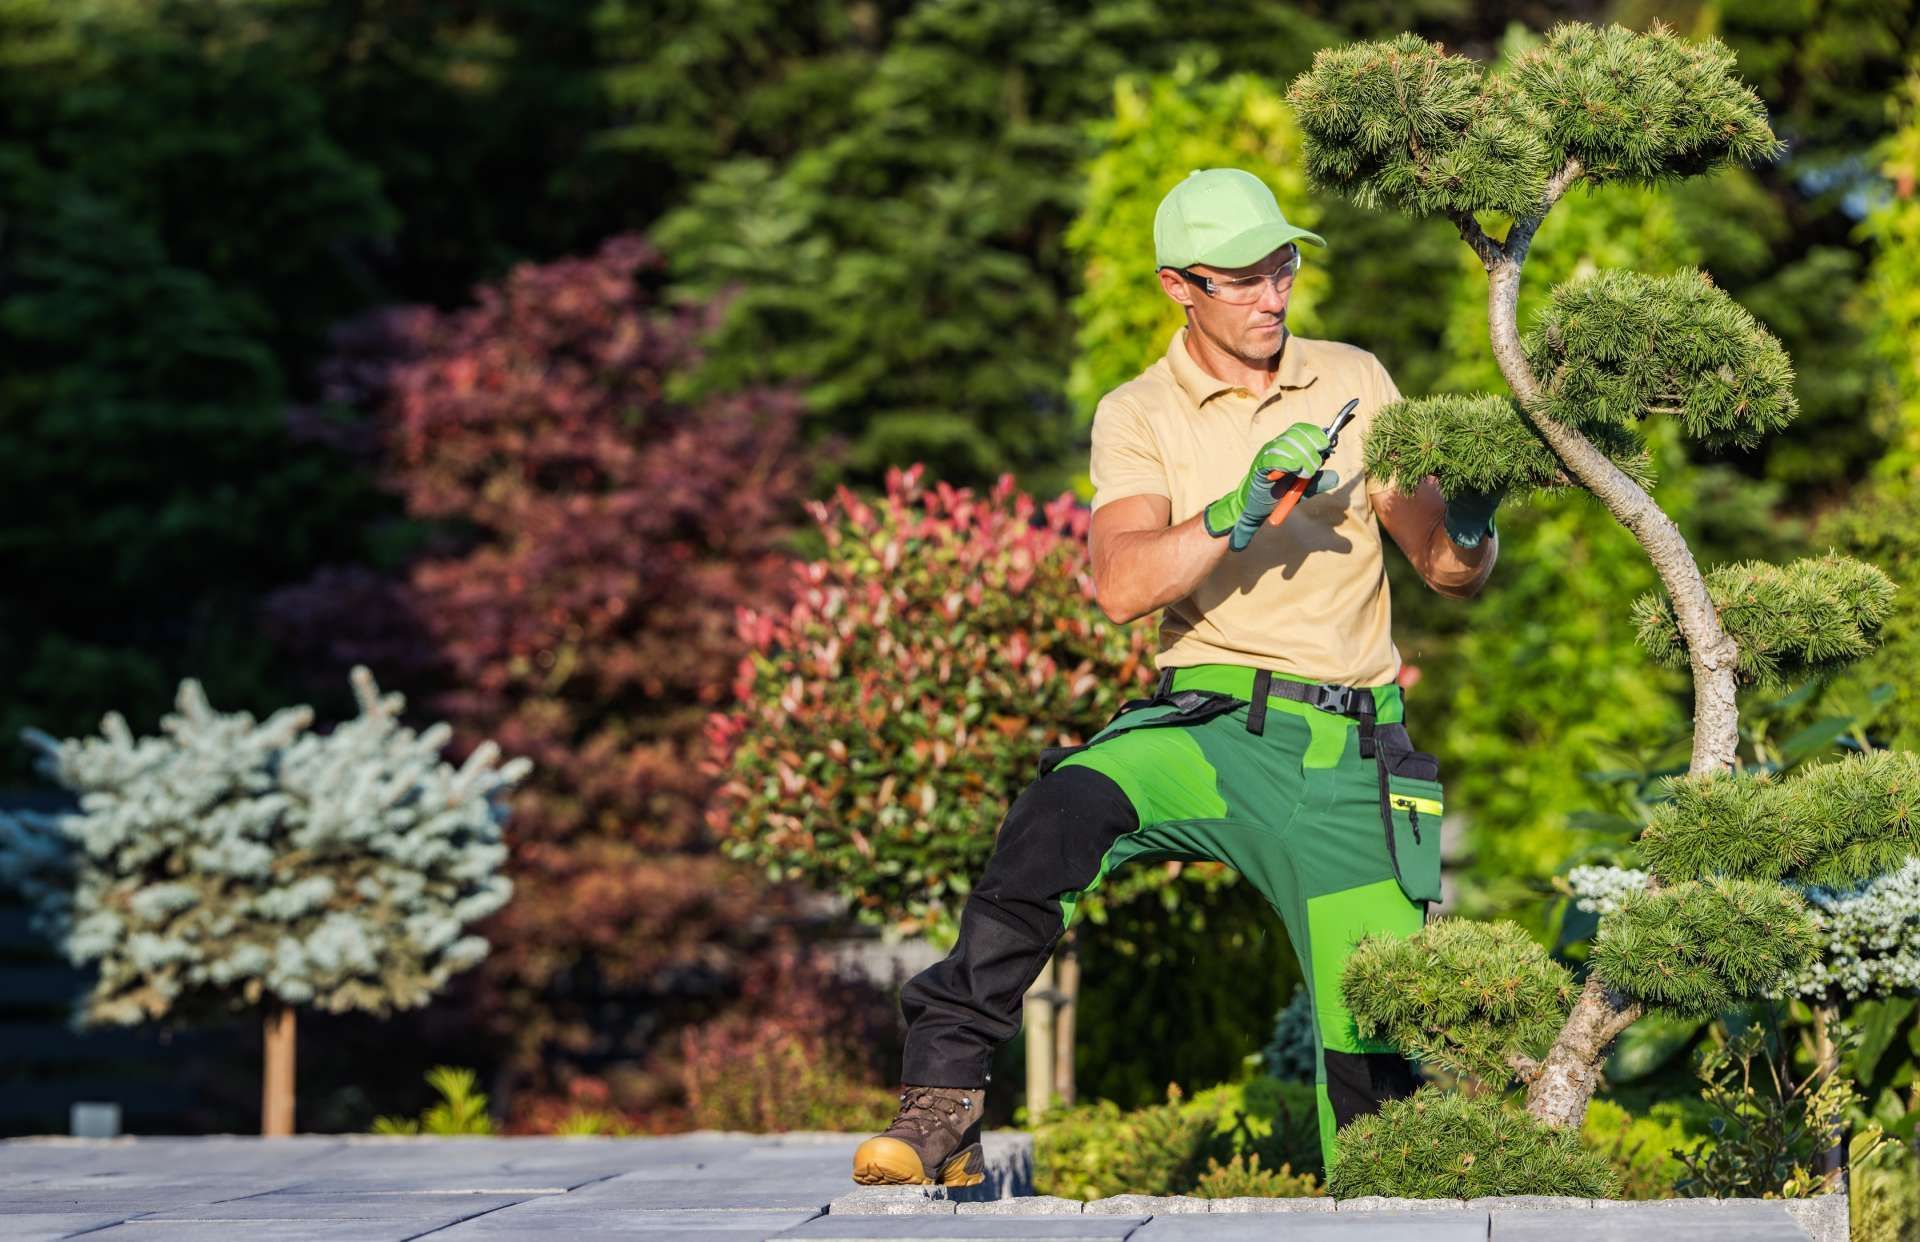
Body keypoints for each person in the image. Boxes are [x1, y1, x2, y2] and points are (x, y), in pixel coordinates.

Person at [850, 167, 1500, 1189]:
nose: (1271, 295)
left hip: (1348, 754)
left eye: (1281, 266)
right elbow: (1121, 583)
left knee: (1376, 1083)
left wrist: (1471, 514)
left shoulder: (1355, 378)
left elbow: (1446, 570)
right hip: (1206, 730)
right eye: (1240, 278)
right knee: (1062, 809)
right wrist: (1233, 512)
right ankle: (944, 1098)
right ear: (1177, 287)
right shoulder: (1139, 412)